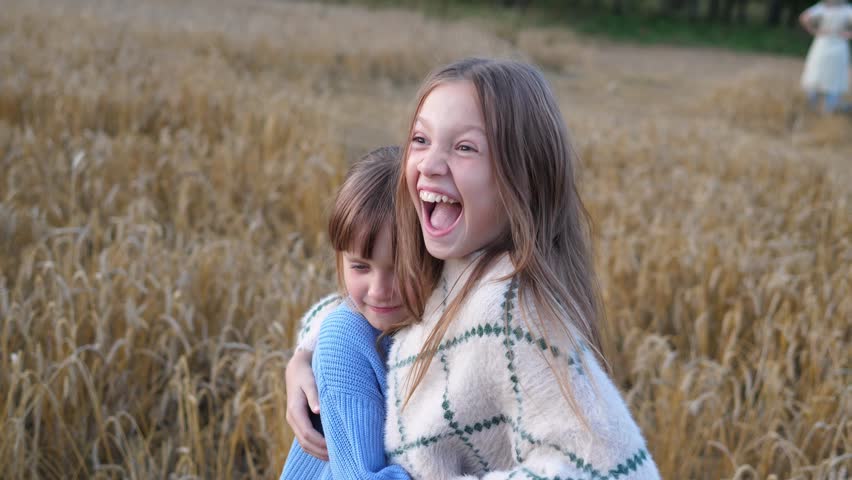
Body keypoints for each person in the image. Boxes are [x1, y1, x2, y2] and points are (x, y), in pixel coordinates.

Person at [287, 57, 660, 479]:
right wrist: (306, 353)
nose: (429, 164)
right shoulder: (450, 262)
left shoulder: (508, 307)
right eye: (421, 139)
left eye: (465, 147)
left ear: (524, 176)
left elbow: (613, 470)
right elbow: (368, 304)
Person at [280, 146, 411, 480]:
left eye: (400, 268)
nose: (380, 289)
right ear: (339, 261)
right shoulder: (345, 338)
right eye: (360, 266)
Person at [799, 0, 852, 113]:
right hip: (829, 43)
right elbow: (804, 17)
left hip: (829, 42)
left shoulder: (825, 7)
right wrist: (814, 31)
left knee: (824, 74)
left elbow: (804, 17)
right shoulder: (829, 7)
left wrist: (814, 31)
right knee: (821, 74)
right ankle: (820, 108)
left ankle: (823, 108)